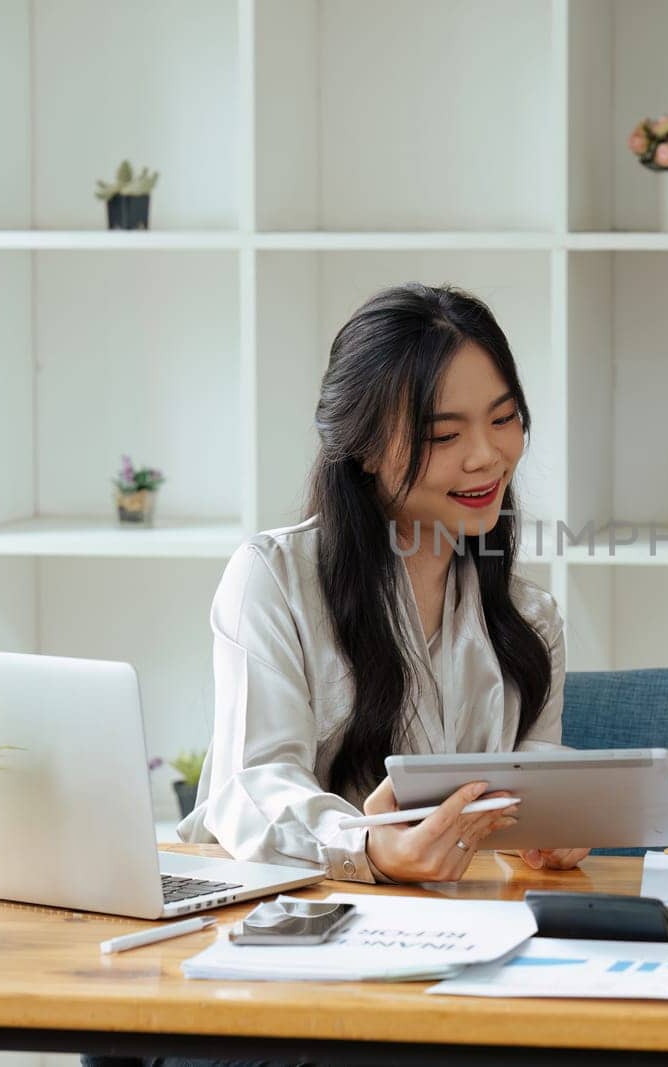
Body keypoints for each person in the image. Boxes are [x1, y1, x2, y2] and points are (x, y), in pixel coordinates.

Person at [179, 282, 588, 881]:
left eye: (504, 419)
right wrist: (365, 847)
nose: (486, 456)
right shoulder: (273, 580)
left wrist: (553, 829)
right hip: (288, 918)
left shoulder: (531, 619)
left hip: (454, 927)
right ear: (365, 447)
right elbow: (254, 785)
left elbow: (527, 786)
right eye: (443, 436)